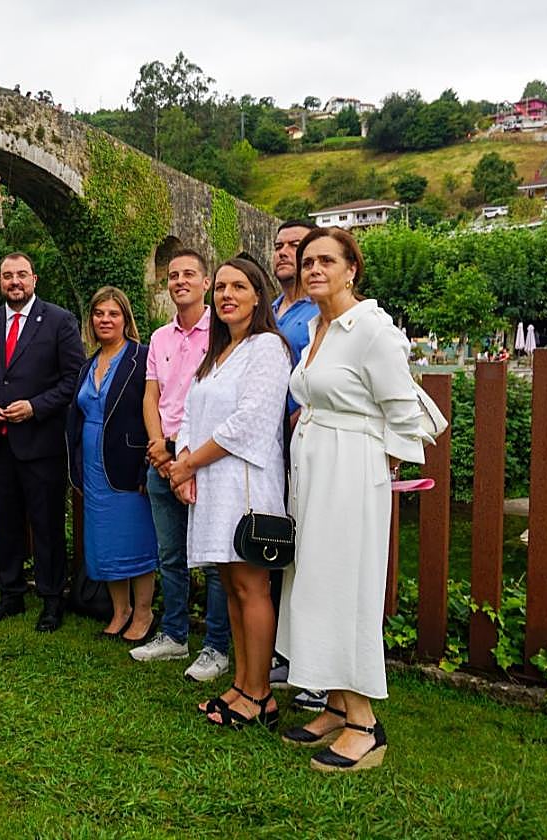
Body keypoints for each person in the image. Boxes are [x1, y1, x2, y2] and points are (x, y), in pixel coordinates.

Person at [276, 227, 435, 771]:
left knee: (343, 585)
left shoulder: (371, 328)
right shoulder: (320, 326)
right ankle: (337, 705)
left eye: (326, 260)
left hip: (349, 471)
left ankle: (365, 724)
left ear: (351, 269)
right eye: (306, 261)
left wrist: (373, 474)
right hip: (315, 468)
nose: (313, 268)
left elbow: (401, 412)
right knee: (315, 581)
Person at [168, 258, 291, 729]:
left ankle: (260, 695)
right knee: (231, 586)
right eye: (220, 287)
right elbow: (188, 417)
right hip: (211, 484)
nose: (226, 295)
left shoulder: (267, 348)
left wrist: (188, 463)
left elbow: (250, 422)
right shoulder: (217, 353)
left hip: (244, 484)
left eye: (238, 286)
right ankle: (242, 683)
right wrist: (184, 464)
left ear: (258, 295)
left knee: (251, 585)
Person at [0, 253, 85, 632]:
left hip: (40, 443)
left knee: (46, 523)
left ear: (34, 278)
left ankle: (52, 599)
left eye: (21, 275)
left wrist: (35, 406)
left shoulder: (59, 320)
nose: (14, 282)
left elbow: (73, 378)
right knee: (5, 522)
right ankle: (11, 593)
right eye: (6, 276)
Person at [132, 248, 232, 681]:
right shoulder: (159, 337)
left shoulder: (224, 332)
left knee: (212, 558)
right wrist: (157, 445)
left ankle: (216, 647)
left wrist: (185, 456)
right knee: (170, 554)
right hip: (163, 453)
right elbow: (151, 395)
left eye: (189, 274)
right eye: (173, 275)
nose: (180, 281)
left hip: (204, 456)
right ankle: (174, 635)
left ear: (206, 282)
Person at [66, 287, 158, 643]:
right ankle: (119, 612)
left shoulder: (141, 357)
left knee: (136, 540)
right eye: (99, 314)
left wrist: (144, 467)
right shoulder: (88, 364)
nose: (105, 320)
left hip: (127, 463)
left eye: (113, 314)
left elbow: (152, 413)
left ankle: (144, 612)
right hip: (92, 465)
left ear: (125, 319)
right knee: (105, 542)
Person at [265, 218, 326, 712]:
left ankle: (320, 672)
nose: (285, 253)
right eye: (280, 246)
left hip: (308, 444)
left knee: (314, 553)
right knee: (281, 552)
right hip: (268, 446)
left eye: (297, 247)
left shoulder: (322, 312)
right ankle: (287, 652)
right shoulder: (270, 310)